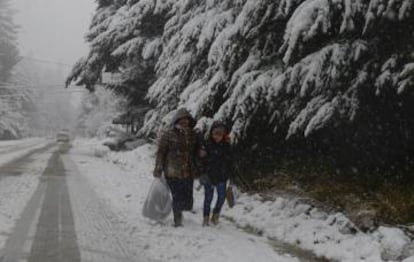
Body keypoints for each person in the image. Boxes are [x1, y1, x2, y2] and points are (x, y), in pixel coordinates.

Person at [153, 108, 199, 227]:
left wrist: (201, 153)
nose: (185, 122)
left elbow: (197, 149)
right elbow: (161, 152)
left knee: (188, 199)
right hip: (172, 171)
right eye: (182, 120)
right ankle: (177, 221)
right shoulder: (168, 134)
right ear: (177, 120)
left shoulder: (193, 134)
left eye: (187, 120)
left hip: (188, 171)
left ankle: (179, 210)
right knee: (177, 196)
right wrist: (158, 168)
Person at [199, 122, 233, 226]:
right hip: (208, 176)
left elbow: (231, 161)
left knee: (222, 198)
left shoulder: (226, 146)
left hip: (222, 176)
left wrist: (229, 174)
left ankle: (216, 215)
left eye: (220, 134)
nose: (217, 136)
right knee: (208, 198)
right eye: (215, 133)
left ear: (223, 135)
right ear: (211, 133)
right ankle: (205, 218)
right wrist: (202, 172)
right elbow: (200, 161)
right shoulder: (206, 144)